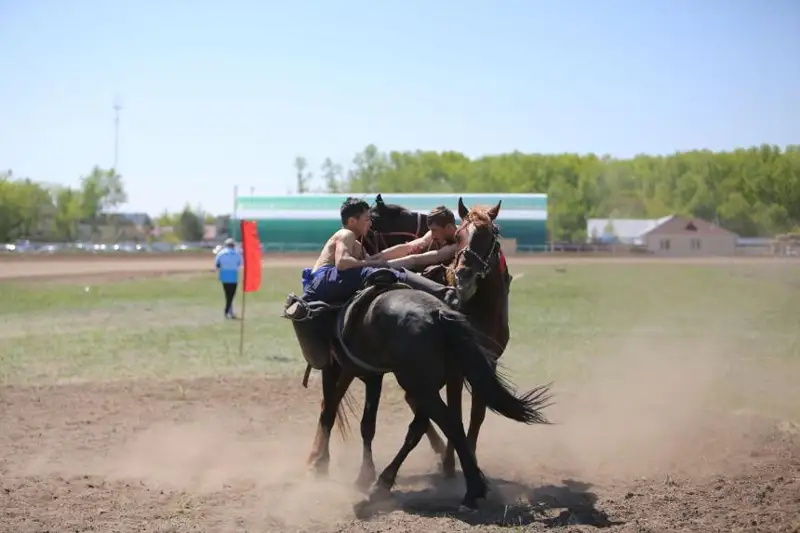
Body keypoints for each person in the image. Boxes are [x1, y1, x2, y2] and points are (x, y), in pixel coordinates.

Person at [284, 197, 458, 319]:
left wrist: (376, 262)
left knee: (380, 271)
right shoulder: (346, 234)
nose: (370, 223)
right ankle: (446, 295)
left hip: (324, 283)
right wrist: (374, 264)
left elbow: (383, 257)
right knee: (385, 271)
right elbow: (343, 263)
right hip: (324, 279)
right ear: (352, 221)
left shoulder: (357, 245)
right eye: (367, 219)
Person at [368, 205, 459, 270]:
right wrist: (370, 260)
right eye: (430, 230)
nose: (432, 235)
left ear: (449, 227)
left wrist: (381, 265)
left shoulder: (460, 242)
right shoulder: (435, 233)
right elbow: (408, 247)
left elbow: (416, 260)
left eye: (434, 230)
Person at [215, 237, 242, 319]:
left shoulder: (221, 254)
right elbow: (240, 263)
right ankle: (228, 311)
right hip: (233, 276)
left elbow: (217, 264)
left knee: (227, 295)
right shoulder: (237, 254)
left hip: (224, 276)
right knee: (231, 295)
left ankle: (228, 311)